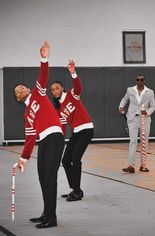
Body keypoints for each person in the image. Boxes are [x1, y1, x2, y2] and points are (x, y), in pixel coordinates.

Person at [13, 41, 64, 228]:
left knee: (50, 177)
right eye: (17, 91)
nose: (20, 89)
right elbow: (30, 138)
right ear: (18, 98)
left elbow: (43, 77)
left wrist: (44, 58)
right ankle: (46, 213)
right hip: (44, 142)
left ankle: (52, 218)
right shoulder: (27, 114)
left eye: (21, 87)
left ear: (27, 89)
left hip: (54, 138)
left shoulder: (38, 93)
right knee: (43, 178)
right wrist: (23, 159)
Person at [50, 60, 94, 201]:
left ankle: (77, 191)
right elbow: (61, 125)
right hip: (76, 132)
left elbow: (78, 87)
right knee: (66, 160)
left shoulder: (71, 95)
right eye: (52, 89)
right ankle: (75, 189)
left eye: (57, 88)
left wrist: (73, 73)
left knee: (75, 159)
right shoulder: (59, 107)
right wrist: (58, 140)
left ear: (62, 88)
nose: (55, 91)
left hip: (86, 129)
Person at [119, 74, 155, 173]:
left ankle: (143, 165)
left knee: (144, 143)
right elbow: (124, 99)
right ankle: (131, 166)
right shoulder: (130, 90)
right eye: (138, 79)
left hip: (145, 120)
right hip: (132, 119)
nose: (140, 81)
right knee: (133, 141)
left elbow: (153, 106)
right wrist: (121, 106)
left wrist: (147, 112)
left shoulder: (150, 92)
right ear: (136, 80)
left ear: (144, 80)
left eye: (141, 79)